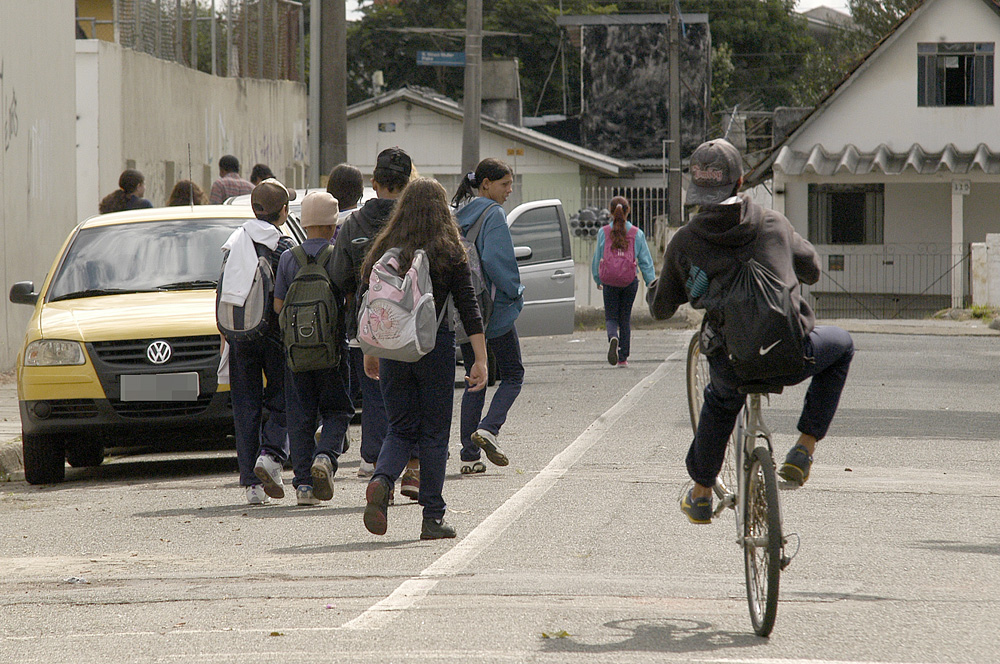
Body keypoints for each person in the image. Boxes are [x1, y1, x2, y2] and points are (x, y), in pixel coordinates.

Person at [647, 138, 854, 524]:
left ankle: (701, 494)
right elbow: (811, 270)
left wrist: (657, 286)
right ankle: (804, 448)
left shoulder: (686, 241)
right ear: (741, 181)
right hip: (792, 354)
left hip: (733, 363)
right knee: (842, 345)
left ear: (695, 187)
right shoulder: (774, 223)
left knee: (721, 402)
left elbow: (661, 309)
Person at [359, 177, 488, 539]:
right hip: (434, 348)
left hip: (393, 348)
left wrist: (371, 350)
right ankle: (432, 517)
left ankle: (382, 479)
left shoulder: (386, 248)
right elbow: (469, 307)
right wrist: (480, 359)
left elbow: (368, 301)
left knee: (400, 427)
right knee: (433, 433)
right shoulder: (450, 251)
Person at [331, 147, 419, 490]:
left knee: (374, 397)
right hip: (410, 327)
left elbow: (339, 275)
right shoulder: (417, 222)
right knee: (412, 396)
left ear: (374, 182)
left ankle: (373, 460)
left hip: (366, 327)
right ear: (408, 183)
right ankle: (413, 466)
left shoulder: (353, 223)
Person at [219, 178, 296, 504]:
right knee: (284, 398)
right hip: (275, 336)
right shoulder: (284, 246)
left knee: (245, 407)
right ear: (284, 211)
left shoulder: (234, 242)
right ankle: (270, 453)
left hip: (240, 335)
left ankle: (252, 484)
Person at [273, 191, 353, 506]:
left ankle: (304, 486)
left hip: (296, 353)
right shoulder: (337, 256)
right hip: (332, 351)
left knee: (300, 416)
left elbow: (279, 306)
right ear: (333, 225)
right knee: (338, 409)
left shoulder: (288, 258)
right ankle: (326, 456)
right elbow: (347, 301)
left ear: (304, 224)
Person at [452, 158, 525, 475]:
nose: (509, 190)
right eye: (504, 184)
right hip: (494, 310)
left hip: (466, 313)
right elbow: (497, 260)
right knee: (513, 374)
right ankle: (489, 428)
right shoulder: (493, 213)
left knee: (474, 378)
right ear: (486, 184)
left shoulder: (459, 215)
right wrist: (515, 290)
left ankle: (469, 456)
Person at [591, 196, 655, 367]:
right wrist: (650, 282)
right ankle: (622, 357)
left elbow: (597, 258)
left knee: (611, 316)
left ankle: (613, 337)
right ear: (628, 211)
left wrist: (597, 278)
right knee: (625, 318)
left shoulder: (603, 232)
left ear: (611, 212)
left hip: (609, 281)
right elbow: (645, 261)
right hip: (629, 281)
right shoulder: (636, 233)